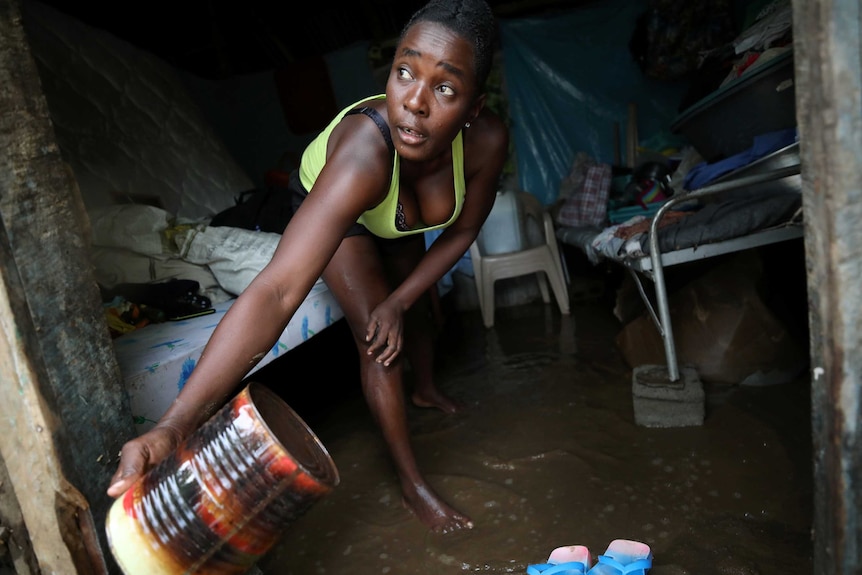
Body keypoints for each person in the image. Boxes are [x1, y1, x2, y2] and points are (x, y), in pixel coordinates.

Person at [107, 0, 509, 534]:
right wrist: (175, 426)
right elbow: (276, 289)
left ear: (474, 108)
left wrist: (402, 297)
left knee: (416, 309)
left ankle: (427, 388)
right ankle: (413, 485)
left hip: (399, 220)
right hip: (343, 207)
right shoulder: (365, 154)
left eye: (444, 88)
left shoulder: (487, 142)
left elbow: (461, 231)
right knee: (378, 342)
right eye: (404, 72)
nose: (413, 102)